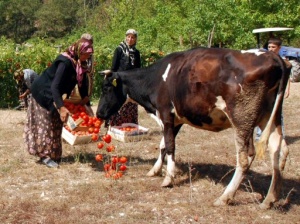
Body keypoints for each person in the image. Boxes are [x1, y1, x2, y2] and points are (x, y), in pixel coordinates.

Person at [25, 37, 94, 168]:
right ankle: (44, 156)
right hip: (43, 91)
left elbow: (82, 84)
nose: (88, 56)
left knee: (57, 123)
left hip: (54, 94)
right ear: (79, 51)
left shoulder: (80, 63)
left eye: (90, 54)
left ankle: (54, 154)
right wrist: (61, 107)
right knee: (46, 123)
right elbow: (54, 86)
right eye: (86, 53)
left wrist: (86, 103)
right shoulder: (65, 62)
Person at [256, 37, 291, 140]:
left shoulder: (282, 62)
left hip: (276, 91)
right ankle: (259, 135)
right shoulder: (263, 60)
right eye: (269, 47)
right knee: (260, 112)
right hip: (264, 90)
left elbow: (286, 77)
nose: (271, 49)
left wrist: (287, 89)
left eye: (273, 47)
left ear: (279, 48)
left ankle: (280, 135)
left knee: (277, 112)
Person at [105, 29, 141, 127]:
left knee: (131, 103)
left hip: (132, 82)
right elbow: (114, 67)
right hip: (120, 81)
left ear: (135, 39)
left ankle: (129, 124)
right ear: (125, 37)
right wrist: (113, 80)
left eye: (133, 37)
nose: (130, 39)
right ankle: (115, 124)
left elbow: (138, 69)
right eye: (128, 37)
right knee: (119, 101)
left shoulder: (136, 53)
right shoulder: (119, 50)